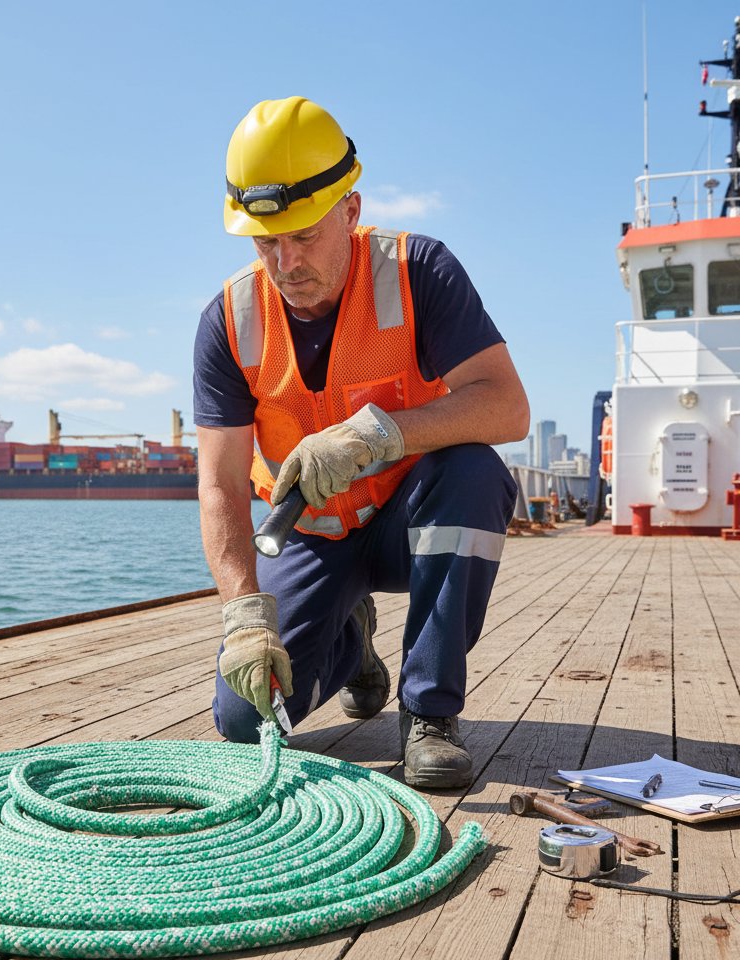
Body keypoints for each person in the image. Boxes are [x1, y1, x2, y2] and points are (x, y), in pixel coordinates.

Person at [192, 97, 529, 788]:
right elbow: (220, 485)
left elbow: (506, 406)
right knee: (245, 718)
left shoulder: (419, 271)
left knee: (474, 471)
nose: (285, 262)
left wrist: (378, 433)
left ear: (350, 210)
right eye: (265, 241)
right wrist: (244, 615)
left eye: (303, 235)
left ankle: (429, 713)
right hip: (314, 535)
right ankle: (353, 642)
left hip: (413, 519)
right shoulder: (228, 320)